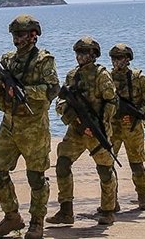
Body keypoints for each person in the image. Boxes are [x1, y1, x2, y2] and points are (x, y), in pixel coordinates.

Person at [0, 15, 59, 239]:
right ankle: (12, 216)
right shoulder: (7, 60)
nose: (17, 39)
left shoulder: (43, 60)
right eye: (15, 35)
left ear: (33, 35)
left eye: (22, 34)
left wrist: (24, 90)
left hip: (34, 126)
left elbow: (52, 89)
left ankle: (37, 222)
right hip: (9, 124)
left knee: (36, 177)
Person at [47, 37, 118, 226]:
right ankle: (66, 210)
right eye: (77, 52)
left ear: (93, 54)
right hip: (76, 130)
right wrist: (70, 113)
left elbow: (111, 102)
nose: (79, 56)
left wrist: (99, 125)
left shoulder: (101, 75)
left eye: (84, 52)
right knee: (62, 164)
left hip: (96, 131)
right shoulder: (73, 75)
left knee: (105, 170)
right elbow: (60, 101)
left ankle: (108, 210)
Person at [107, 43, 145, 211]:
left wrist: (138, 113)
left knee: (136, 163)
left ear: (128, 59)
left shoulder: (137, 77)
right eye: (114, 58)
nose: (116, 62)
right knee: (108, 163)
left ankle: (142, 195)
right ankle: (111, 200)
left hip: (132, 127)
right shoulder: (106, 78)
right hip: (113, 127)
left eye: (120, 58)